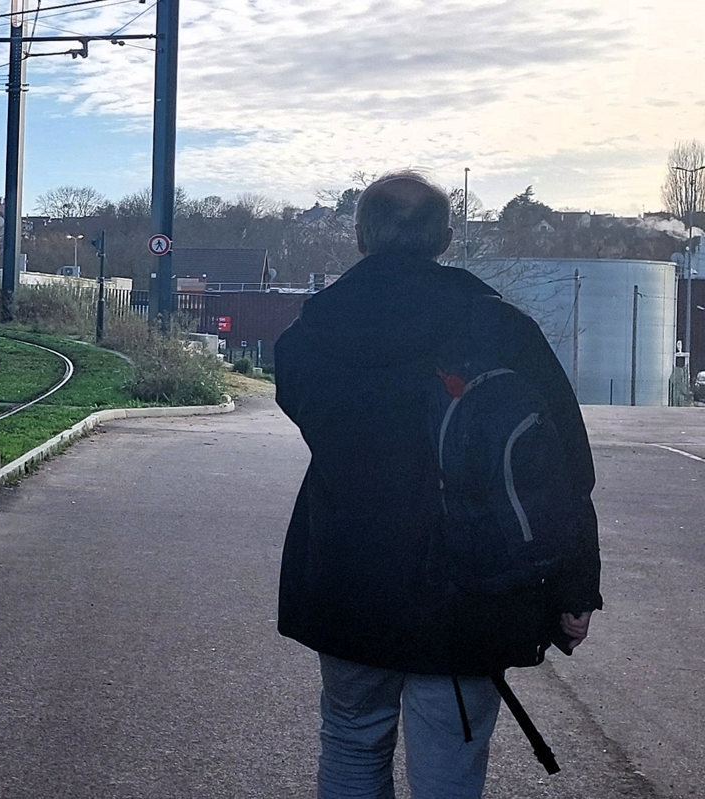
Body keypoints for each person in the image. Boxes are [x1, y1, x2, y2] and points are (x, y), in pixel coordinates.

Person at [272, 171, 602, 799]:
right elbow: (561, 465)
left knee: (349, 737)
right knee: (450, 759)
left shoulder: (313, 331)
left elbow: (306, 408)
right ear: (447, 238)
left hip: (350, 573)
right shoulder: (499, 326)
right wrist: (575, 581)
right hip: (471, 588)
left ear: (362, 235)